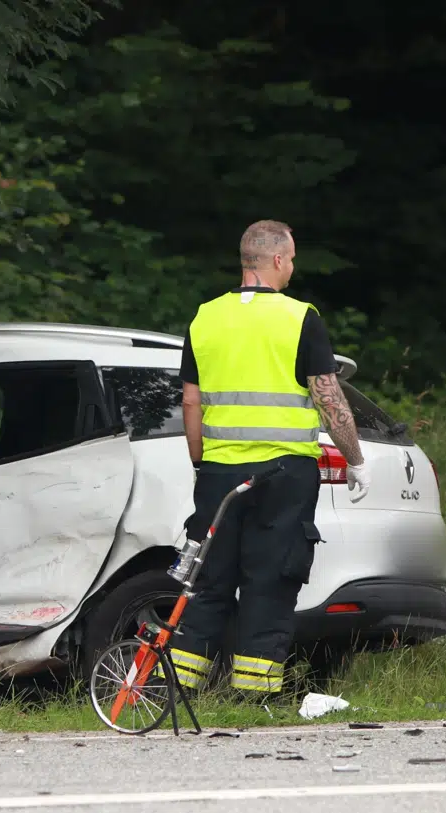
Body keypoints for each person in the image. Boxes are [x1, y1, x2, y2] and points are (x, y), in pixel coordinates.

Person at [169, 220, 370, 698]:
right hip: (284, 476)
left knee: (207, 580)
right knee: (271, 582)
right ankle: (253, 695)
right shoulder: (300, 317)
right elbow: (328, 396)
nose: (293, 266)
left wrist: (202, 461)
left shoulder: (205, 317)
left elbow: (191, 402)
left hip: (218, 474)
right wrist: (355, 459)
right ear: (278, 260)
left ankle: (176, 690)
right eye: (293, 258)